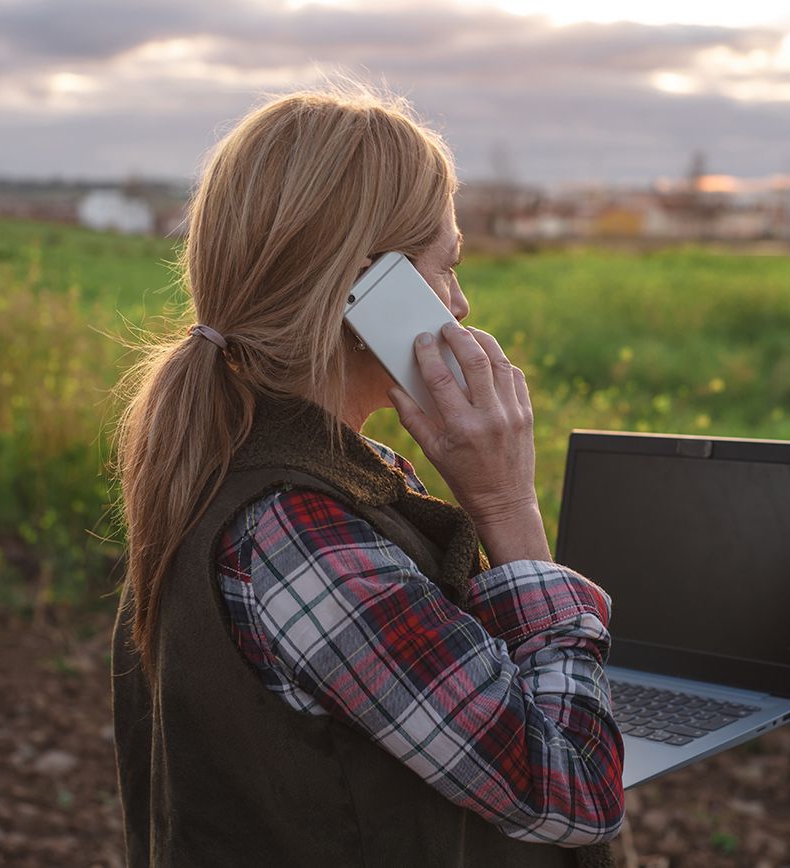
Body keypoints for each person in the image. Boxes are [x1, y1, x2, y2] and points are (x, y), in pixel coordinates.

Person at [110, 84, 624, 868]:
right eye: (445, 267)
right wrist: (508, 505)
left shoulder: (249, 463)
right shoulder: (301, 538)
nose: (459, 303)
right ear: (367, 292)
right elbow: (578, 793)